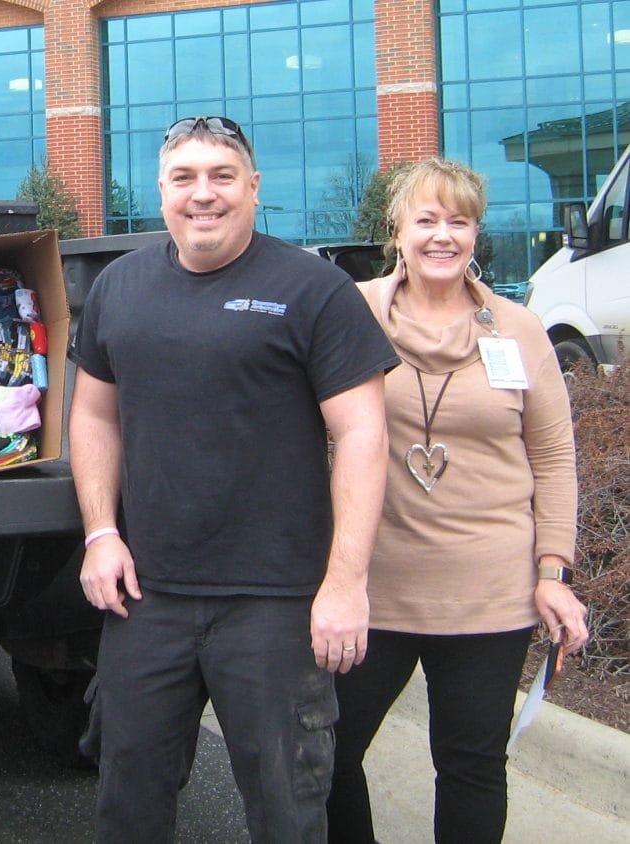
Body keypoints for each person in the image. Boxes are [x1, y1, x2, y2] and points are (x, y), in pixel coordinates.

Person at [68, 115, 399, 843]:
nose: (203, 194)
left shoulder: (315, 290)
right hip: (145, 599)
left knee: (288, 812)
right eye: (185, 178)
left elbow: (363, 434)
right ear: (161, 193)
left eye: (222, 177)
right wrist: (100, 533)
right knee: (127, 802)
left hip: (276, 604)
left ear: (254, 188)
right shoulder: (120, 289)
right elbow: (94, 417)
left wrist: (345, 582)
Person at [326, 157, 590, 844]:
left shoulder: (518, 330)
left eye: (460, 221)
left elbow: (555, 457)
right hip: (370, 586)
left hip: (488, 593)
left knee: (471, 767)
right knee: (325, 754)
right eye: (427, 220)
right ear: (398, 230)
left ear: (476, 233)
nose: (443, 236)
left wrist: (553, 572)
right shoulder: (350, 313)